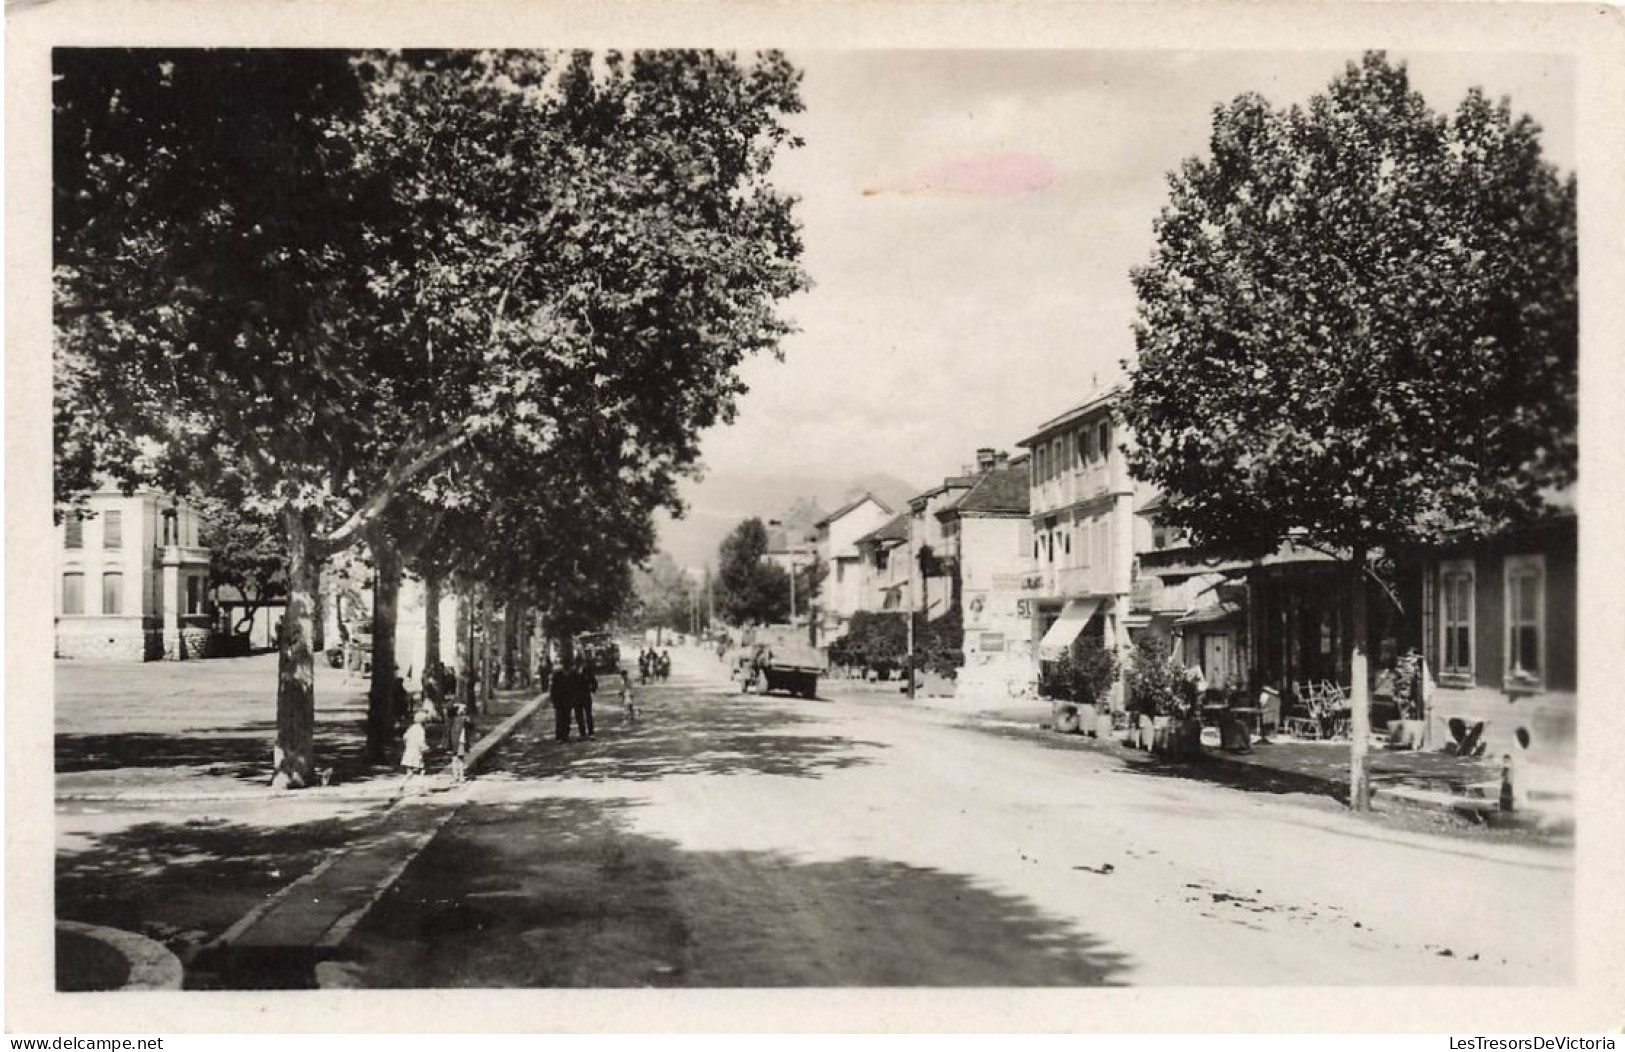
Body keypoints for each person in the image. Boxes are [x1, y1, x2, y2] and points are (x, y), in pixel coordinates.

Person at [400, 710, 428, 793]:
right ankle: (420, 788)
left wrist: (408, 744)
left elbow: (405, 737)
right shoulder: (420, 730)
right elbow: (421, 742)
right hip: (416, 753)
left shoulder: (411, 728)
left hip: (409, 751)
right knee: (422, 770)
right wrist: (425, 748)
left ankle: (402, 784)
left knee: (409, 772)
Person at [445, 697, 470, 784]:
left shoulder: (465, 719)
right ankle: (455, 776)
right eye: (460, 709)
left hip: (461, 742)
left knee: (460, 759)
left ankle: (461, 776)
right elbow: (448, 709)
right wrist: (455, 704)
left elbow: (471, 727)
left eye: (464, 709)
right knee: (454, 759)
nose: (462, 711)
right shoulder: (453, 718)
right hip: (454, 741)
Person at [549, 659, 574, 742]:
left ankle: (562, 735)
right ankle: (561, 735)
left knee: (564, 718)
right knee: (562, 718)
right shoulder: (560, 677)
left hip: (564, 701)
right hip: (562, 701)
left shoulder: (570, 676)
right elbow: (553, 689)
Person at [573, 659, 597, 740]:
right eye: (577, 663)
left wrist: (592, 689)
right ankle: (582, 733)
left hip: (586, 696)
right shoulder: (573, 673)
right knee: (579, 716)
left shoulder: (587, 672)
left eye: (580, 663)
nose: (578, 665)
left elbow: (594, 682)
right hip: (576, 697)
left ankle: (591, 733)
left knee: (588, 715)